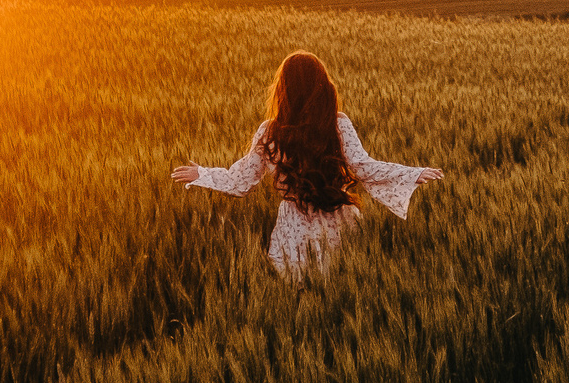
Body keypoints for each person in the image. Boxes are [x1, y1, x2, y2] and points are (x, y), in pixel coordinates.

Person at [172, 50, 443, 275]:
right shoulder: (337, 124)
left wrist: (202, 174)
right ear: (322, 86)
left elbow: (241, 181)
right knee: (340, 283)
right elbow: (362, 166)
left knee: (297, 289)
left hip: (293, 226)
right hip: (337, 220)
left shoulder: (270, 131)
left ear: (284, 89)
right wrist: (411, 174)